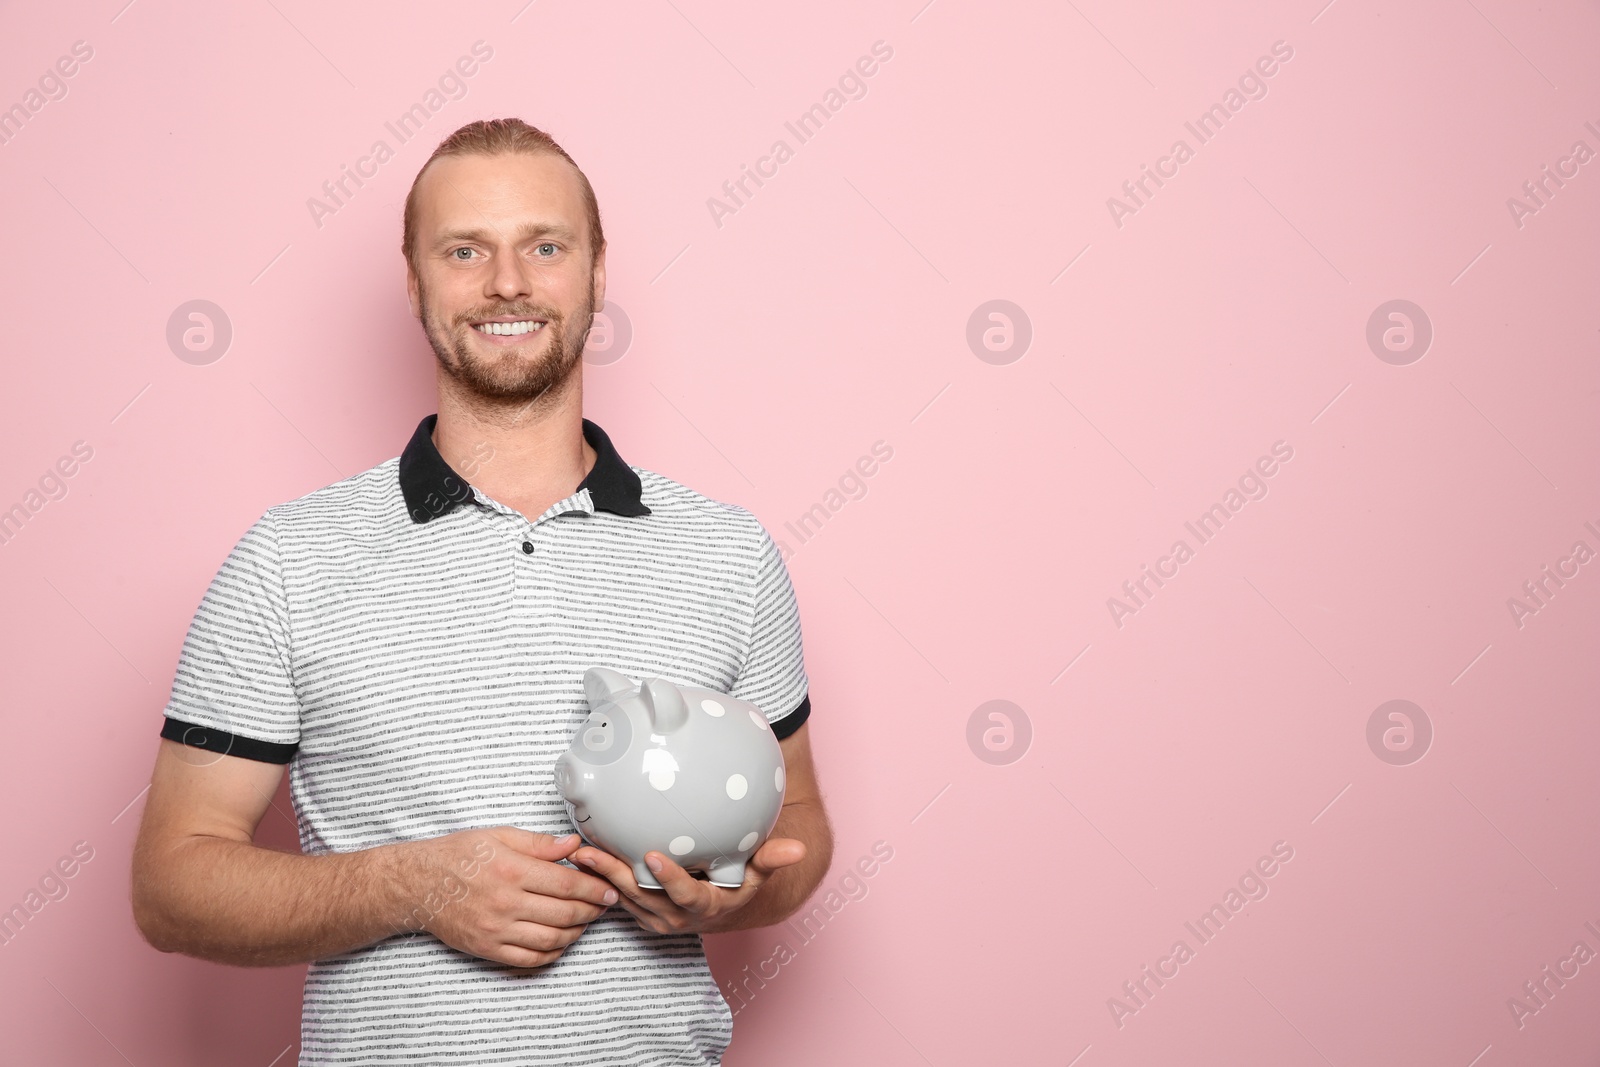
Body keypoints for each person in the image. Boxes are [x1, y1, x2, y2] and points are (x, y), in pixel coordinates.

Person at [131, 117, 833, 1066]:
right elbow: (171, 885)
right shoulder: (287, 560)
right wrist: (410, 887)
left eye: (545, 245)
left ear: (595, 271)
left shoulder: (727, 553)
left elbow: (798, 829)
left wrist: (732, 896)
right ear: (416, 282)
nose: (509, 282)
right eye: (467, 250)